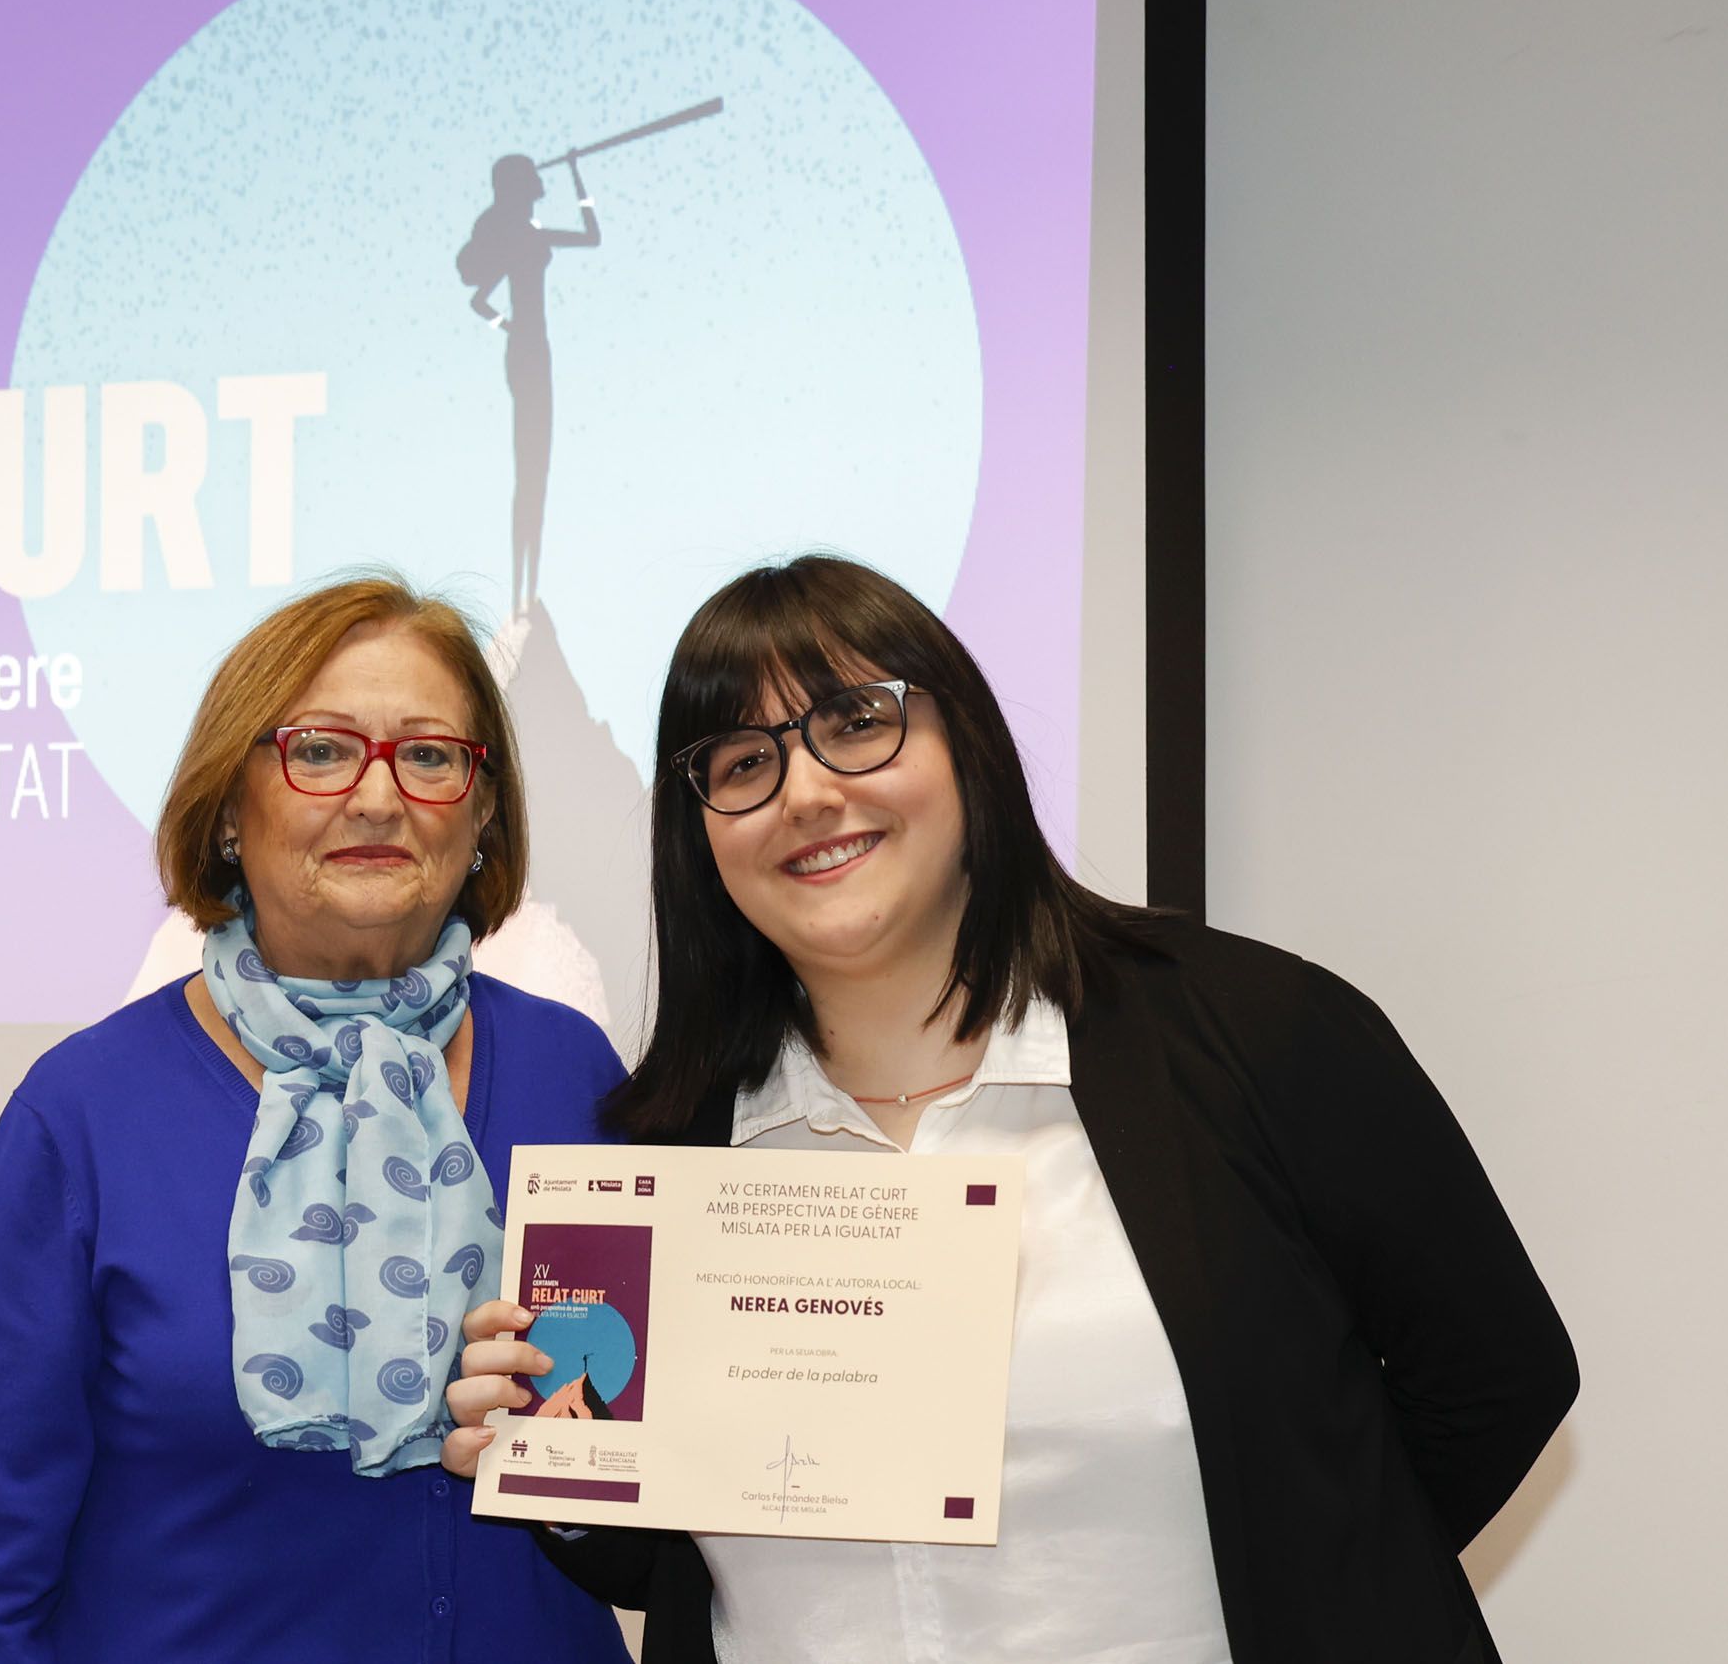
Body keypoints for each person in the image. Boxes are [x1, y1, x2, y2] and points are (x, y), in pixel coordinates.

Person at [445, 554, 1577, 1664]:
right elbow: (668, 1561)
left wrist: (1325, 1589)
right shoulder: (669, 1145)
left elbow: (1493, 1378)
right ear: (700, 838)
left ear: (966, 745)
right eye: (742, 762)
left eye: (854, 722)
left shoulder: (1255, 1030)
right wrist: (558, 1453)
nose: (805, 791)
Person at [0, 575, 631, 1664]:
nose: (380, 797)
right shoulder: (81, 1119)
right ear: (225, 808)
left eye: (431, 755)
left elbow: (643, 1457)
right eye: (320, 749)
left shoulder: (570, 1070)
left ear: (484, 814)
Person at [458, 152, 600, 615]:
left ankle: (528, 585)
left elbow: (591, 236)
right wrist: (510, 327)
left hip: (534, 350)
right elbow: (479, 298)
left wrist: (579, 174)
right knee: (531, 468)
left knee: (535, 469)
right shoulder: (519, 235)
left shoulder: (526, 234)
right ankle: (523, 587)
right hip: (529, 354)